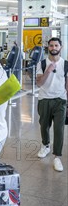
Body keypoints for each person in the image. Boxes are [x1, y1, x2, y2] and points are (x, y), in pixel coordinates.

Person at [36, 37, 68, 172]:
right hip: (44, 99)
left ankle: (57, 157)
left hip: (60, 100)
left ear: (60, 47)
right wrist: (48, 71)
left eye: (56, 45)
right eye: (51, 46)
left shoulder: (65, 64)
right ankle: (45, 145)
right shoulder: (42, 63)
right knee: (44, 126)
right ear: (48, 47)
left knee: (59, 128)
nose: (54, 48)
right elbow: (39, 83)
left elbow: (67, 84)